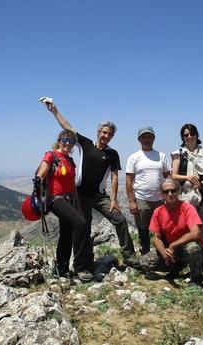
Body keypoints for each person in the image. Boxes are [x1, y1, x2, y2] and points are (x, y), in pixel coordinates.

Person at [42, 99, 139, 267]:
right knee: (84, 228)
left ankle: (129, 256)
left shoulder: (112, 154)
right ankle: (84, 262)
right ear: (98, 132)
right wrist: (55, 111)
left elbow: (114, 177)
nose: (106, 136)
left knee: (120, 220)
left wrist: (114, 200)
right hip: (81, 196)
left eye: (109, 134)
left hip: (100, 197)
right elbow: (69, 129)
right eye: (104, 132)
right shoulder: (85, 144)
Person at [35, 129, 94, 282]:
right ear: (60, 140)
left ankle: (61, 267)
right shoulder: (51, 155)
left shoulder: (69, 160)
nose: (68, 143)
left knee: (66, 233)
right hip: (54, 199)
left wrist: (77, 203)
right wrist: (38, 185)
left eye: (72, 141)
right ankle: (81, 267)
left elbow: (71, 184)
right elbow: (41, 173)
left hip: (69, 199)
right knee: (80, 224)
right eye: (65, 140)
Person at [171, 124, 203, 270]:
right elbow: (173, 175)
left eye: (191, 134)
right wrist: (187, 177)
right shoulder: (179, 153)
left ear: (197, 135)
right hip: (186, 193)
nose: (189, 137)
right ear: (182, 137)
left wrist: (202, 184)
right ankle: (191, 260)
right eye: (185, 135)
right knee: (188, 228)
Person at [140, 178, 203, 286]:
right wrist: (164, 253)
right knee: (145, 262)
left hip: (185, 246)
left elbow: (195, 233)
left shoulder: (188, 208)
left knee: (193, 248)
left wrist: (173, 245)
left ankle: (196, 278)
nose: (170, 194)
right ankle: (175, 266)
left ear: (178, 191)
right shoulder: (158, 211)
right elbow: (157, 237)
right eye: (166, 192)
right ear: (161, 194)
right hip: (170, 249)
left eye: (173, 190)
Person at [126, 127, 170, 255]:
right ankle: (145, 254)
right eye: (144, 137)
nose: (146, 139)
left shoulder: (161, 156)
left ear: (153, 138)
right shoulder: (134, 157)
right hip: (142, 198)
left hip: (160, 199)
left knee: (162, 228)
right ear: (139, 140)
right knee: (143, 229)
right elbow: (129, 180)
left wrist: (169, 196)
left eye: (149, 136)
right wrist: (132, 202)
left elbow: (167, 176)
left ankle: (163, 254)